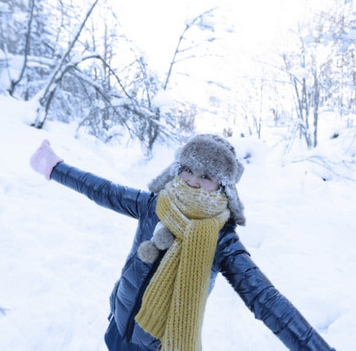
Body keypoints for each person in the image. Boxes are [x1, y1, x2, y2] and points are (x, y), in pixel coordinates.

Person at [30, 134, 334, 351]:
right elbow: (103, 190)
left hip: (160, 344)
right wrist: (54, 167)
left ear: (222, 185)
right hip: (119, 323)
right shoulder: (156, 204)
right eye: (188, 169)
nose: (192, 180)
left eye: (205, 175)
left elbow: (267, 301)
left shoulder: (221, 239)